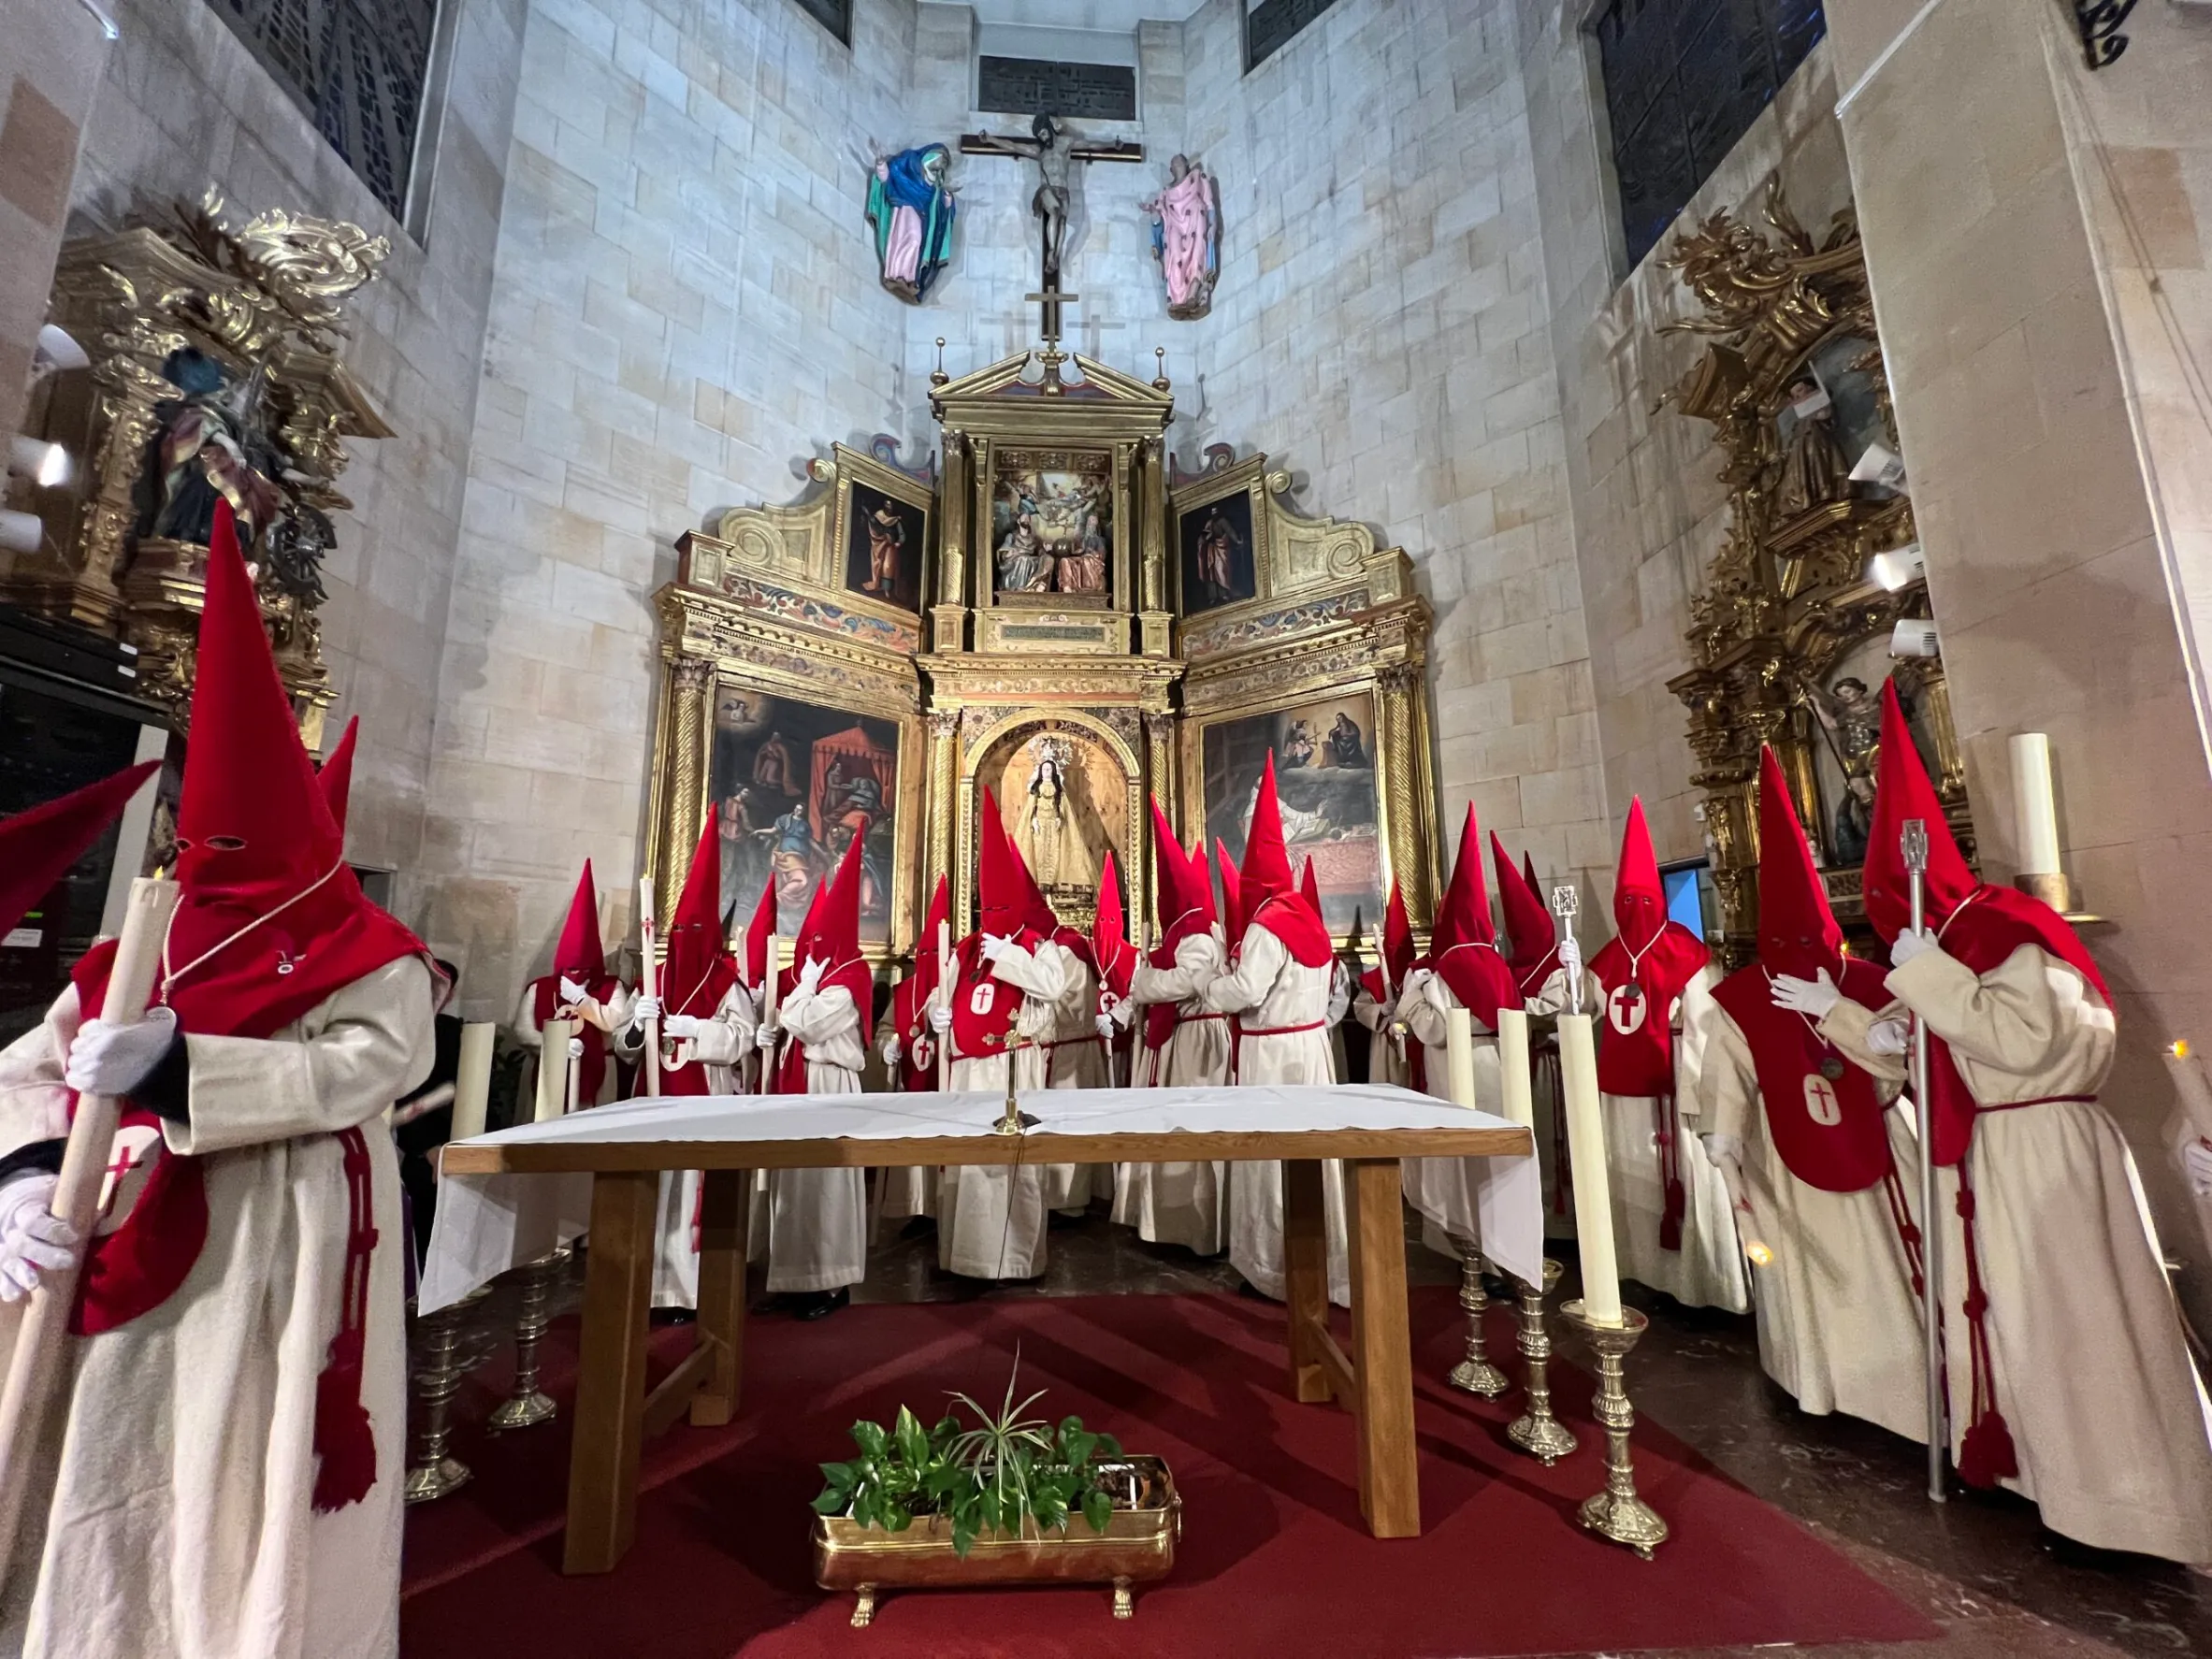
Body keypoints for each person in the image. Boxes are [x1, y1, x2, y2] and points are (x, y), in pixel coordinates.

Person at [0, 501, 439, 1656]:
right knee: (105, 1458)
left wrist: (185, 1065)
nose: (214, 863)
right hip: (103, 1227)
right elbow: (35, 1067)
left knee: (243, 1455)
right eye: (205, 842)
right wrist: (16, 1178)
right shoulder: (146, 935)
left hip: (273, 1235)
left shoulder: (366, 945)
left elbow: (377, 1063)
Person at [1811, 681, 2212, 1562]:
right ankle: (2029, 1470)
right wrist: (1835, 1012)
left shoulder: (2006, 933)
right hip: (1983, 1155)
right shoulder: (1948, 953)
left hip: (2042, 1147)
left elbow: (2031, 1045)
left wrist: (1927, 976)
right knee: (2005, 1318)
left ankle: (2121, 1505)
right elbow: (1916, 1055)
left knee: (2072, 1322)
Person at [1701, 747, 1927, 1441]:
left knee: (1885, 1267)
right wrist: (1723, 1134)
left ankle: (1908, 1390)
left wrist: (1840, 1010)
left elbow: (1905, 1064)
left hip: (1877, 1142)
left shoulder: (1871, 984)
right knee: (1804, 1271)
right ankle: (1817, 1381)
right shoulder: (1740, 999)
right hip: (1785, 1152)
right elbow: (1728, 1072)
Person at [1541, 801, 1746, 1313]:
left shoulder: (1686, 952)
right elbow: (1578, 1007)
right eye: (1624, 898)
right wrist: (1568, 971)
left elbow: (1706, 1027)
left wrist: (1697, 1087)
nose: (1634, 905)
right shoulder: (1610, 955)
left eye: (1641, 897)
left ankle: (1702, 1287)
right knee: (1632, 1183)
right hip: (1621, 1092)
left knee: (1680, 1183)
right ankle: (1641, 1272)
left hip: (1672, 1090)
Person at [668, 833, 875, 1320]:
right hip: (796, 1082)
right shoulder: (820, 978)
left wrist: (796, 996)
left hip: (828, 1088)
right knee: (790, 1188)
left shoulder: (852, 979)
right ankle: (792, 1278)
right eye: (809, 944)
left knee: (822, 1190)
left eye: (819, 944)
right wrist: (771, 1030)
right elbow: (781, 1020)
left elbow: (807, 1021)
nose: (812, 953)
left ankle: (829, 1282)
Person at [1206, 755, 1351, 1306]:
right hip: (1310, 1049)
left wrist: (1212, 987)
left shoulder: (1268, 925)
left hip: (1271, 1055)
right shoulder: (1308, 919)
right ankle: (1323, 1261)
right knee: (1314, 1157)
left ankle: (1271, 1268)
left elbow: (1246, 991)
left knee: (1269, 1158)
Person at [931, 794, 1071, 1279]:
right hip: (968, 1067)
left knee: (1012, 1166)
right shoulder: (966, 948)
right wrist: (939, 1017)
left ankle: (1014, 1261)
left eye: (1002, 903)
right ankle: (963, 1259)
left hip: (1014, 1066)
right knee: (969, 1166)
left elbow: (1053, 987)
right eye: (987, 904)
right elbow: (942, 995)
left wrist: (1010, 956)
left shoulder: (1040, 944)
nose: (994, 912)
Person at [1396, 807, 1523, 1261]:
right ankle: (1504, 1250)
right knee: (1493, 1167)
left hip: (1456, 1072)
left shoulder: (1443, 971)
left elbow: (1433, 1029)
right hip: (1496, 1070)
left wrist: (1411, 999)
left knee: (1460, 1165)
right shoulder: (1499, 967)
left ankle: (1466, 1251)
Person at [1114, 804, 1233, 1254]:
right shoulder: (1188, 933)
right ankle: (1165, 1222)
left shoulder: (1199, 935)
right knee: (1170, 1129)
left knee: (1190, 1130)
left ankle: (1193, 1229)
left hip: (1196, 1045)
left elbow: (1187, 982)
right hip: (1180, 1041)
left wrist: (1144, 983)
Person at [514, 861, 630, 1110]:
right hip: (546, 1068)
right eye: (571, 968)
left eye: (583, 969)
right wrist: (554, 1044)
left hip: (598, 1074)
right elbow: (523, 1030)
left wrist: (583, 1001)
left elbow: (616, 1022)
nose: (577, 974)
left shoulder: (612, 988)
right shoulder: (540, 988)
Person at [875, 874, 949, 1225]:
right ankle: (917, 1211)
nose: (929, 958)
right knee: (912, 1151)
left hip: (944, 1084)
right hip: (910, 1083)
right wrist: (887, 1045)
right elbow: (887, 1029)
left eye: (937, 952)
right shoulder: (904, 990)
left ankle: (942, 1210)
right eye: (925, 951)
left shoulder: (955, 989)